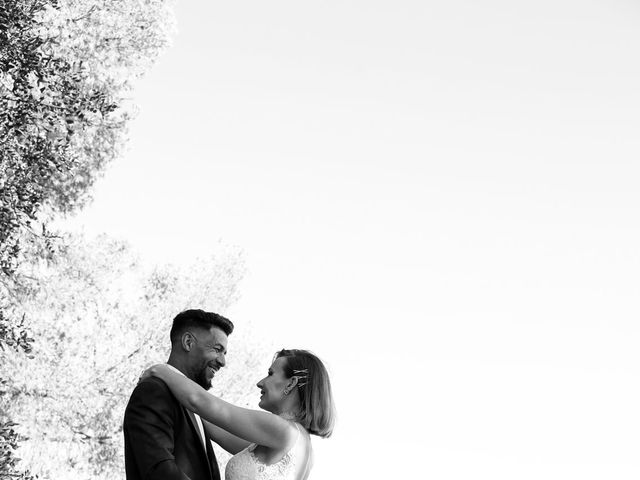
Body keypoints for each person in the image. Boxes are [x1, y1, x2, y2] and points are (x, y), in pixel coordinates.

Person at [142, 348, 335, 480]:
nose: (260, 382)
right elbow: (212, 427)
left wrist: (161, 371)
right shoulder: (299, 445)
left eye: (270, 373)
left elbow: (200, 402)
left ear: (291, 384)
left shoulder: (283, 430)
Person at [123, 309, 234, 480]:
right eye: (217, 349)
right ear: (188, 342)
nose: (222, 362)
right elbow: (160, 471)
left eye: (224, 353)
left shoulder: (195, 408)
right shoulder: (153, 392)